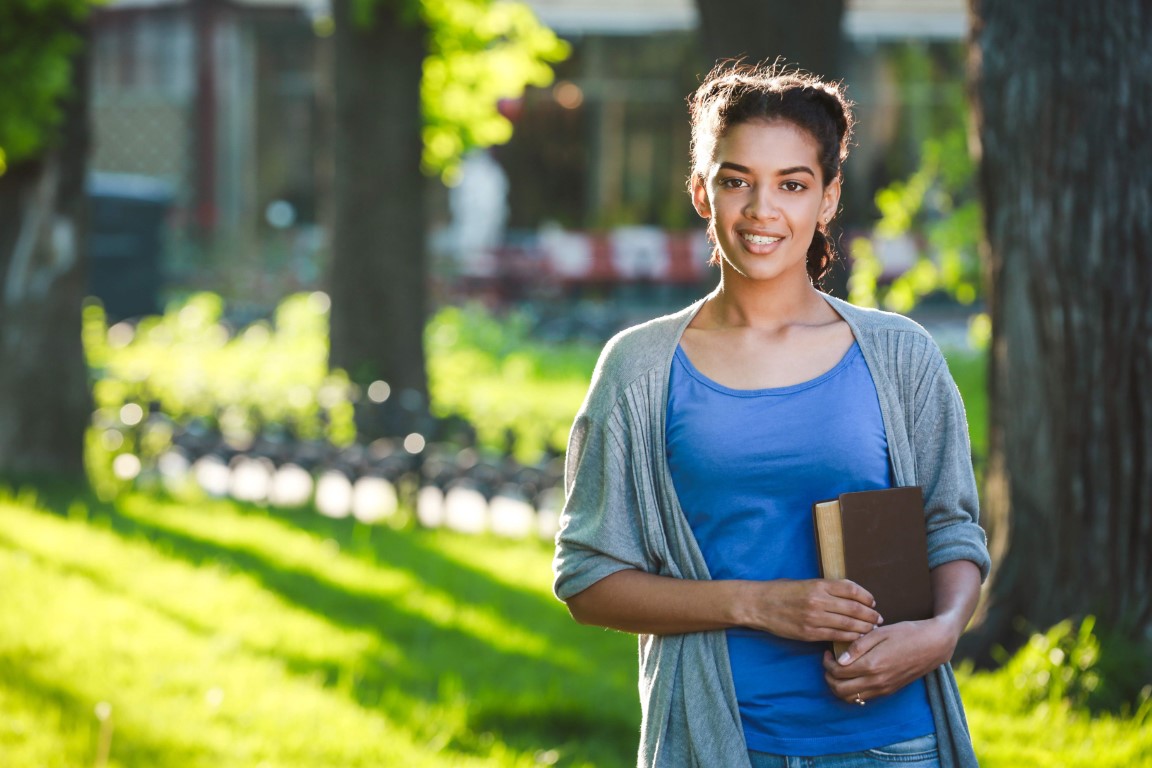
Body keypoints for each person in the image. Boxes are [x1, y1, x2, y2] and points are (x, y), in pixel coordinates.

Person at [552, 61, 991, 768]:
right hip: (719, 742)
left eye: (792, 184)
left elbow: (951, 527)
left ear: (827, 199)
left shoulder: (900, 354)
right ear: (702, 191)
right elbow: (588, 578)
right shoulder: (639, 369)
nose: (762, 210)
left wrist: (940, 634)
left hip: (896, 741)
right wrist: (758, 605)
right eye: (736, 181)